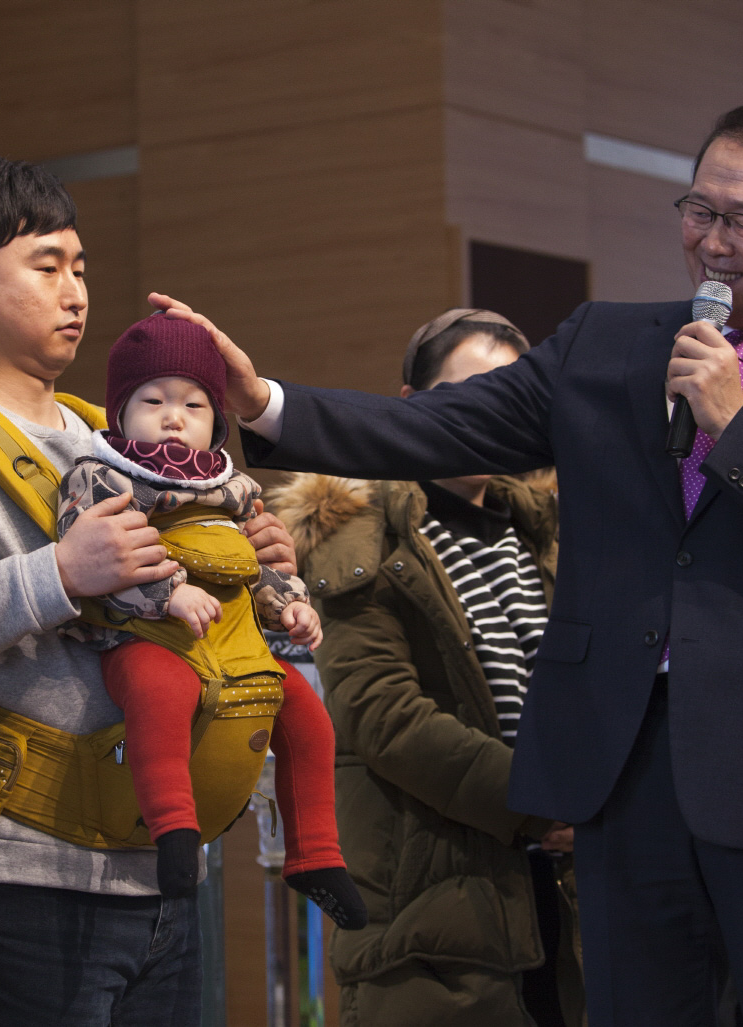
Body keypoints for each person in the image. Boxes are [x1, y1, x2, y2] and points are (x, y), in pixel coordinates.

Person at [156, 103, 743, 1025]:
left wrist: (737, 428)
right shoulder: (608, 343)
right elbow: (436, 425)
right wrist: (266, 401)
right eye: (699, 210)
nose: (712, 241)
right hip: (624, 769)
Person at [0, 157, 298, 1027]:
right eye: (46, 267)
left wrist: (251, 563)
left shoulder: (121, 432)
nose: (75, 291)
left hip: (164, 857)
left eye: (80, 267)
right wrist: (55, 574)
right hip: (25, 872)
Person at [267, 309, 584, 1027]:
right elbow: (381, 714)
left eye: (509, 399)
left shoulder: (548, 529)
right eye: (465, 394)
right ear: (410, 405)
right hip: (432, 898)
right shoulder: (357, 527)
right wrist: (539, 801)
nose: (488, 418)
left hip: (566, 889)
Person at [57, 312, 365, 924]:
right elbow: (97, 557)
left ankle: (317, 854)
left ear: (217, 421)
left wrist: (291, 605)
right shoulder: (100, 476)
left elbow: (258, 566)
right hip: (144, 635)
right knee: (159, 691)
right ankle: (175, 832)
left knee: (306, 713)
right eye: (153, 400)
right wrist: (167, 594)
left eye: (194, 405)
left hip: (235, 640)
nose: (174, 416)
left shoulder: (236, 488)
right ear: (120, 411)